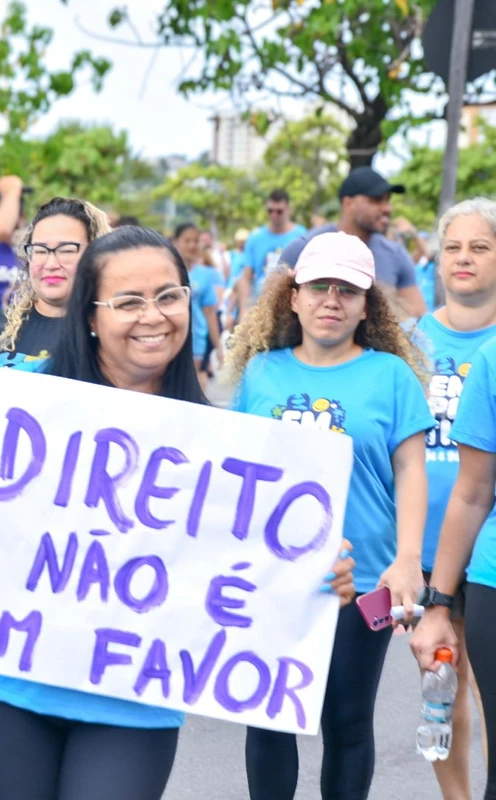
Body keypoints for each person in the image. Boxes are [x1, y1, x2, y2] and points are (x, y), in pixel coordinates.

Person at [0, 226, 358, 800]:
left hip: (136, 701)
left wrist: (318, 573)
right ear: (90, 316)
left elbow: (261, 567)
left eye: (169, 296)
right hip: (14, 689)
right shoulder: (16, 408)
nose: (154, 316)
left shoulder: (224, 444)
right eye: (128, 302)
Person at [228, 231, 433, 800]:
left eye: (348, 290)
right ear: (292, 296)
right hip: (271, 577)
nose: (331, 300)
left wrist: (408, 561)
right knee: (269, 717)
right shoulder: (260, 373)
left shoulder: (390, 376)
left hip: (364, 578)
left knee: (346, 722)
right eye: (319, 286)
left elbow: (411, 473)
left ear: (367, 306)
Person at [408, 198, 496, 800]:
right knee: (443, 681)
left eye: (480, 247)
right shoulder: (409, 343)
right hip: (428, 550)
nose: (463, 259)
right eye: (453, 248)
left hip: (483, 552)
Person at [281, 168, 429, 318]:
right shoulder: (304, 248)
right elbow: (273, 314)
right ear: (348, 203)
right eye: (376, 200)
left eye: (387, 200)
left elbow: (418, 316)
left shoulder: (396, 255)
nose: (387, 208)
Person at [0, 197, 110, 367]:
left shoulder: (107, 335)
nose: (51, 264)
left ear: (96, 255)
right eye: (40, 251)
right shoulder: (0, 326)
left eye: (67, 250)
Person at [237, 189, 307, 310]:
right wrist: (244, 309)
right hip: (261, 304)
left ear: (289, 209)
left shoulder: (302, 236)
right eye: (270, 211)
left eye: (279, 211)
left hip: (290, 305)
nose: (274, 215)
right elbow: (246, 277)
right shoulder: (255, 238)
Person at [174, 222, 222, 387]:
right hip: (170, 339)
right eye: (187, 241)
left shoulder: (205, 275)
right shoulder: (167, 271)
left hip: (196, 341)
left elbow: (210, 313)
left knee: (194, 385)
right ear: (176, 242)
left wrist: (219, 347)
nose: (192, 245)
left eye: (196, 241)